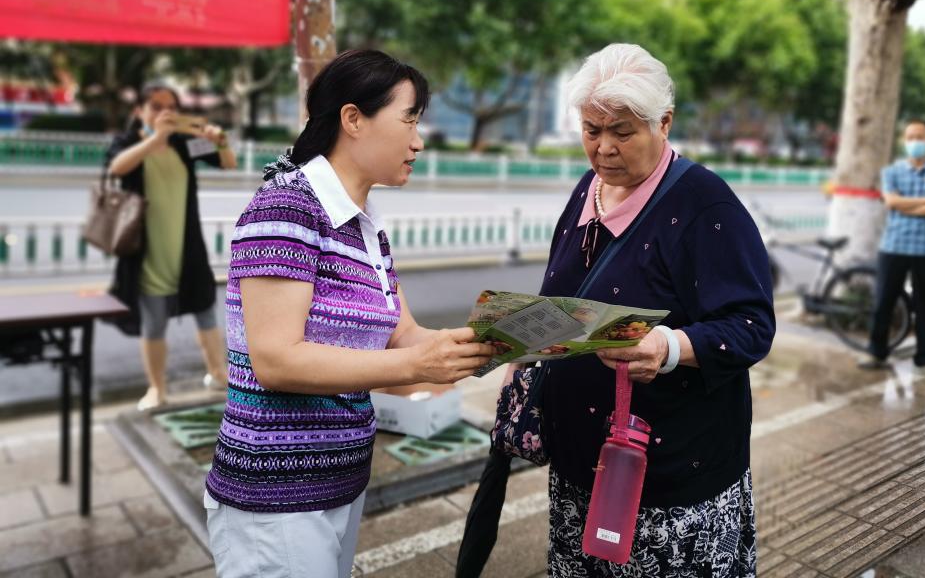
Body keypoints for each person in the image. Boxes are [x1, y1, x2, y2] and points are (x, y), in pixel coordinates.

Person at [203, 49, 495, 578]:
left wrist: (488, 344)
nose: (418, 141)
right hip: (278, 494)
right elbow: (276, 360)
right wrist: (417, 366)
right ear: (353, 119)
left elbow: (402, 334)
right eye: (409, 120)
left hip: (341, 482)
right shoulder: (287, 207)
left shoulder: (365, 226)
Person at [533, 44, 775, 577]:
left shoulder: (706, 206)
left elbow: (752, 325)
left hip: (667, 484)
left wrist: (668, 347)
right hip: (581, 465)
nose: (604, 148)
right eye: (591, 129)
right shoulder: (589, 188)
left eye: (622, 132)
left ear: (664, 122)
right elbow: (563, 292)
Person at [106, 83, 237, 411]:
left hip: (187, 248)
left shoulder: (184, 143)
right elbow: (116, 167)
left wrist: (219, 140)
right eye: (155, 105)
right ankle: (157, 388)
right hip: (148, 253)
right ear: (139, 111)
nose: (165, 111)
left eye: (171, 106)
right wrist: (155, 139)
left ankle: (218, 375)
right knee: (153, 324)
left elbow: (227, 162)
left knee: (206, 311)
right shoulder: (129, 143)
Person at [860, 119, 925, 381]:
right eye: (910, 137)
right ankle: (876, 353)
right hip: (894, 246)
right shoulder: (892, 172)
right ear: (905, 141)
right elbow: (892, 202)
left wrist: (910, 207)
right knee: (883, 302)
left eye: (920, 136)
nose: (915, 141)